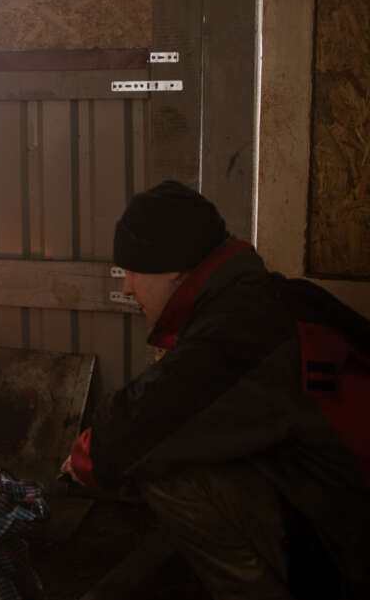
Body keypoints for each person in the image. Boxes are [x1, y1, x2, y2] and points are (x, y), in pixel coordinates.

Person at [60, 180, 370, 599]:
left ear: (172, 267)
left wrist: (83, 458)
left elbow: (137, 430)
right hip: (338, 507)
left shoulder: (242, 329)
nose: (128, 287)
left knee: (170, 468)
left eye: (131, 270)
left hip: (349, 552)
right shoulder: (272, 302)